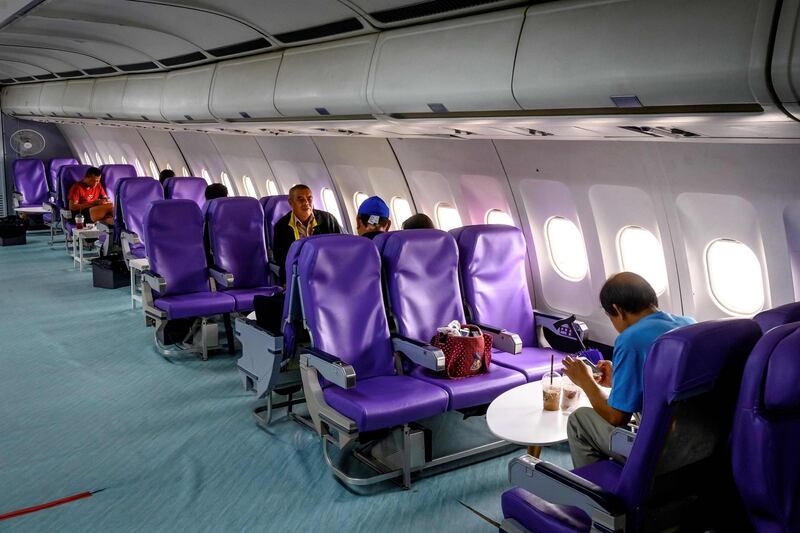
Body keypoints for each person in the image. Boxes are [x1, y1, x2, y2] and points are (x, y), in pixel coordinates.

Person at [562, 272, 695, 468]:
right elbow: (666, 383)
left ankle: (593, 490)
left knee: (579, 420)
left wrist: (585, 381)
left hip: (660, 452)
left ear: (617, 309)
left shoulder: (630, 339)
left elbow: (617, 418)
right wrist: (618, 378)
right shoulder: (689, 324)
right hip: (699, 442)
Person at [272, 184, 342, 284]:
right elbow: (280, 257)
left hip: (325, 273)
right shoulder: (281, 226)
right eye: (300, 199)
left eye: (309, 198)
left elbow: (339, 248)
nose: (306, 203)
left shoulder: (328, 220)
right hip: (295, 277)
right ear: (291, 203)